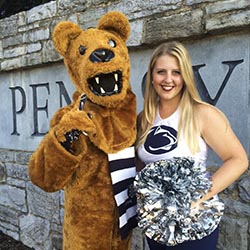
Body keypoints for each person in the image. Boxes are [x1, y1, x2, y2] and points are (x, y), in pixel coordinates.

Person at [135, 41, 248, 250]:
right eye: (161, 72)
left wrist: (197, 197)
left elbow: (238, 159)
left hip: (195, 224)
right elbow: (141, 167)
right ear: (152, 77)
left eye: (176, 72)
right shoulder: (144, 119)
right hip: (157, 225)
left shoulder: (202, 114)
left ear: (185, 76)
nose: (168, 80)